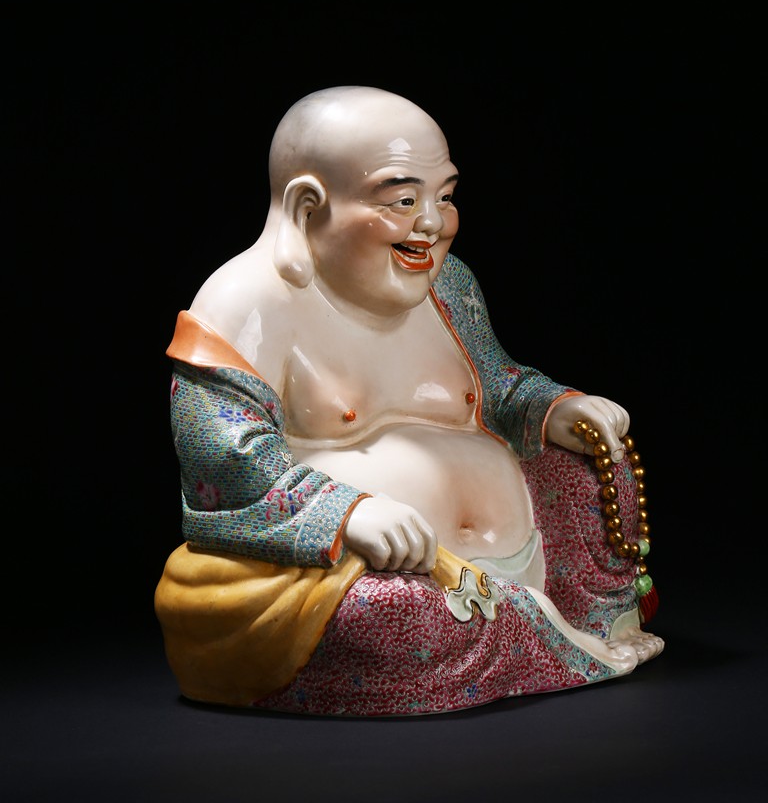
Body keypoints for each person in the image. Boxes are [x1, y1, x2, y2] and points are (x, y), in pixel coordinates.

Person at [155, 85, 664, 715]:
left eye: (444, 197)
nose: (431, 223)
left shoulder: (446, 285)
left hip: (514, 548)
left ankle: (580, 616)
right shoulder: (246, 302)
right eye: (403, 200)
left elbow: (498, 386)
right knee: (394, 618)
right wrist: (345, 513)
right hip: (354, 572)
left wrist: (553, 408)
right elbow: (221, 460)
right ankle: (539, 636)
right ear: (309, 206)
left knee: (593, 461)